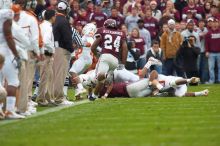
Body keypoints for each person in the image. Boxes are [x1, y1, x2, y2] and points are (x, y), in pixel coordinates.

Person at [90, 18, 128, 100]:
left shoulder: (102, 30)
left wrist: (97, 55)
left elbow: (93, 47)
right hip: (115, 60)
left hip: (105, 56)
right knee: (101, 81)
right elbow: (125, 48)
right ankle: (94, 96)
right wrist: (123, 63)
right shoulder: (121, 33)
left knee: (97, 77)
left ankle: (106, 76)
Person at [0, 0, 25, 119]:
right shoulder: (6, 13)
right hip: (4, 50)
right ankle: (9, 110)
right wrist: (16, 54)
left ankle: (0, 110)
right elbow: (8, 35)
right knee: (13, 81)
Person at [52, 0, 74, 105]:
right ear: (67, 9)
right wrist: (71, 50)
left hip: (54, 48)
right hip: (61, 50)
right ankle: (59, 98)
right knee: (60, 76)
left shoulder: (55, 19)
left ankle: (53, 97)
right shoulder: (64, 21)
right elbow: (67, 39)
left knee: (54, 75)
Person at [69, 23, 97, 97]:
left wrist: (84, 44)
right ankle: (78, 94)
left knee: (72, 71)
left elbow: (90, 43)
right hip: (87, 59)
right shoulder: (89, 36)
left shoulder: (88, 36)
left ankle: (81, 88)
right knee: (74, 76)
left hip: (84, 58)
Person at [37, 9, 56, 106]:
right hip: (46, 54)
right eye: (55, 16)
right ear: (52, 17)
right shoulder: (49, 27)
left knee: (49, 76)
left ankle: (49, 98)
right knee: (45, 77)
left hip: (40, 53)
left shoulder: (41, 25)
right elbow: (46, 41)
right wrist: (53, 50)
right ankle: (41, 99)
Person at [205, 18, 220, 84]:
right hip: (211, 53)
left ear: (218, 23)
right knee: (211, 68)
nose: (215, 23)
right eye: (213, 22)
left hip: (219, 53)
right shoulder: (208, 33)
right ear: (211, 24)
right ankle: (212, 80)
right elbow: (206, 43)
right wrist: (207, 51)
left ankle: (219, 80)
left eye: (216, 22)